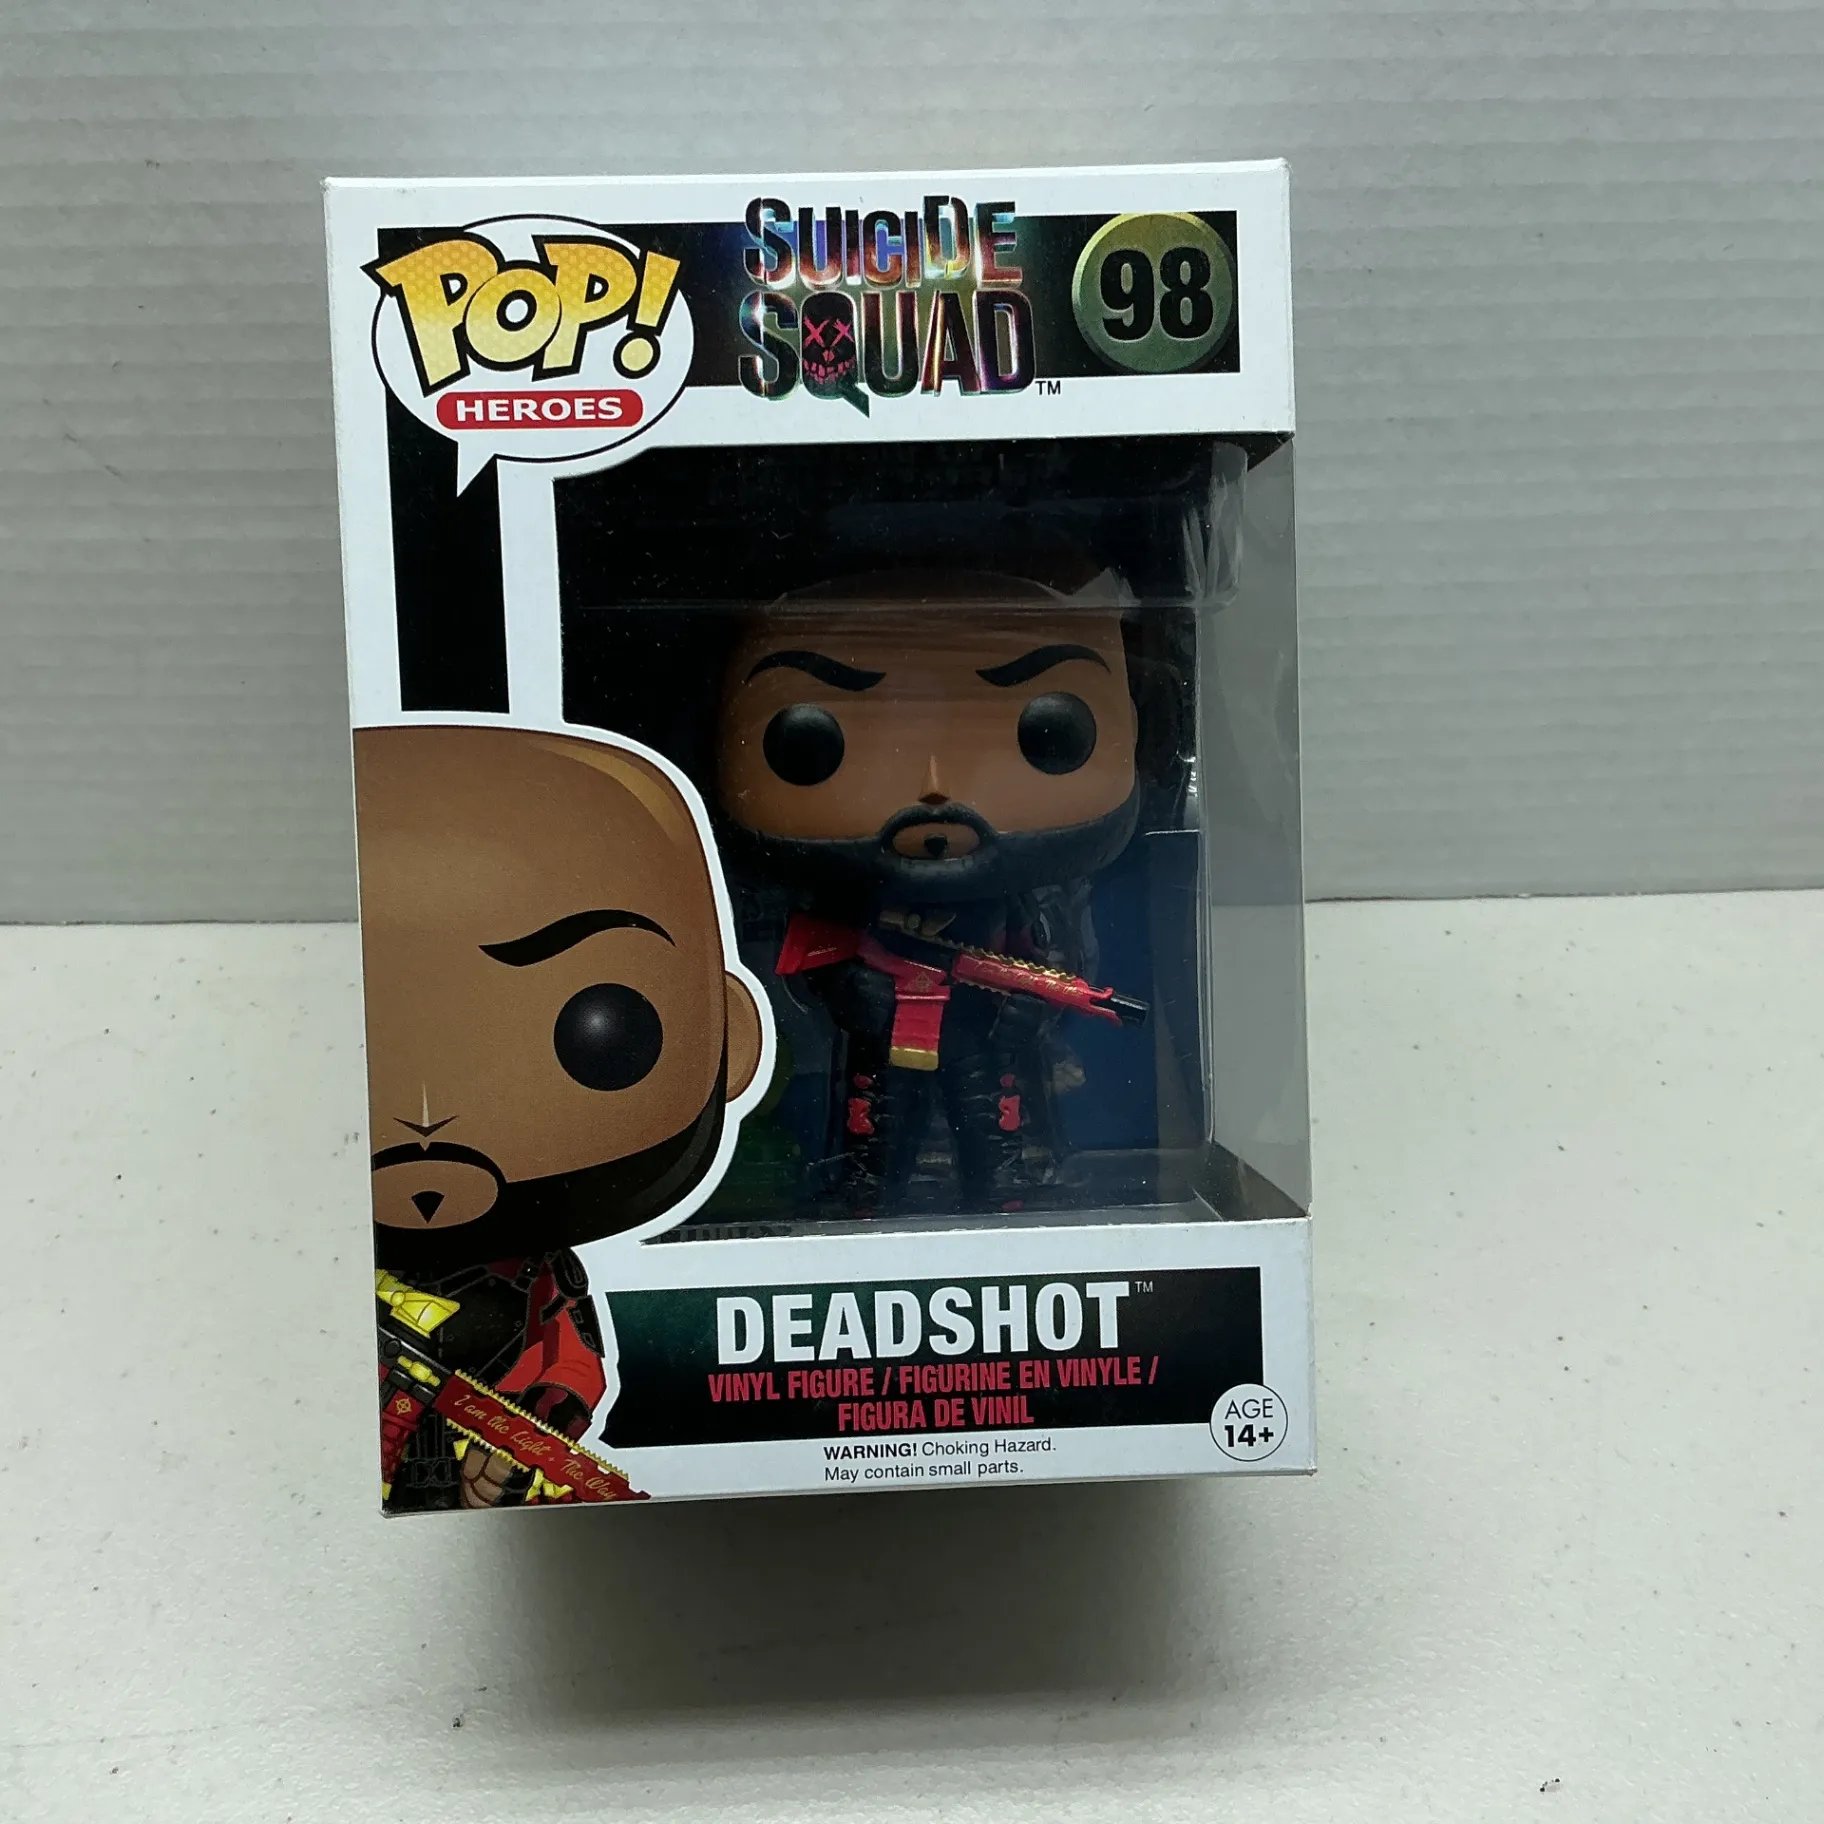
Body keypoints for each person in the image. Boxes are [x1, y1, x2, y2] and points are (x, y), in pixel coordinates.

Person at [356, 723, 767, 1509]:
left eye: (600, 1032)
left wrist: (529, 1440)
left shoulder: (540, 1276)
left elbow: (571, 1364)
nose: (429, 1121)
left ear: (730, 1034)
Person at [717, 573, 1141, 1214]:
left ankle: (997, 1188)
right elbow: (825, 956)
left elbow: (1039, 951)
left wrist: (1025, 1006)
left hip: (970, 1023)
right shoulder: (858, 901)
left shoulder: (1001, 901)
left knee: (987, 1113)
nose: (934, 787)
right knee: (881, 1114)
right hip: (893, 1020)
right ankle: (873, 1189)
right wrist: (854, 990)